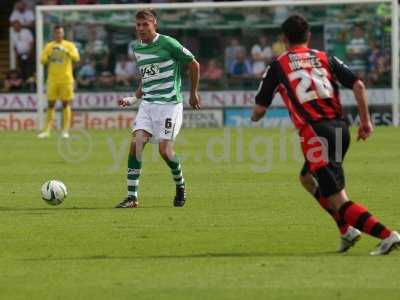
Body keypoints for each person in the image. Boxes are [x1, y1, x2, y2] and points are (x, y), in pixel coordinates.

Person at [251, 14, 400, 256]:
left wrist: (255, 115)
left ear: (284, 39)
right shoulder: (324, 58)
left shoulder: (279, 65)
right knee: (307, 178)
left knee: (339, 199)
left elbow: (259, 111)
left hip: (315, 135)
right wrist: (365, 121)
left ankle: (387, 235)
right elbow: (359, 86)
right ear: (308, 36)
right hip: (341, 130)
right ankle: (346, 231)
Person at [115, 9, 200, 208]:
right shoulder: (137, 48)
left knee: (164, 150)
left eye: (145, 24)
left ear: (155, 24)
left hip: (170, 105)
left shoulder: (168, 43)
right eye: (138, 25)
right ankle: (132, 197)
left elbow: (194, 64)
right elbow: (148, 78)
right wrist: (134, 98)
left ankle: (180, 185)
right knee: (136, 144)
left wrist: (193, 92)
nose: (141, 28)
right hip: (148, 105)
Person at [38, 25, 80, 139]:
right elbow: (42, 60)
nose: (58, 35)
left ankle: (65, 131)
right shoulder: (49, 46)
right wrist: (51, 55)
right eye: (56, 33)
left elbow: (76, 58)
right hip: (52, 79)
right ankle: (46, 131)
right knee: (50, 104)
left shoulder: (69, 45)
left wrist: (66, 51)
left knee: (65, 104)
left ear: (63, 33)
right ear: (54, 34)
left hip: (66, 79)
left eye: (60, 32)